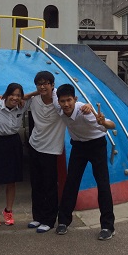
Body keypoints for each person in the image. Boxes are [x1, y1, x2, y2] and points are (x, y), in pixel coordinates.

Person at [54, 83, 116, 241]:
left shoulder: (85, 112)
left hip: (96, 145)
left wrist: (102, 122)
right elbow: (46, 90)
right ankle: (63, 221)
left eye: (69, 100)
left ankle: (108, 226)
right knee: (71, 182)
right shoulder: (59, 108)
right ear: (58, 101)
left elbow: (112, 125)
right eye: (63, 101)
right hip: (78, 146)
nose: (66, 104)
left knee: (102, 184)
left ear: (75, 99)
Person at [27, 71, 66, 233]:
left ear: (52, 85)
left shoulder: (60, 104)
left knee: (50, 185)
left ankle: (49, 220)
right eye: (39, 84)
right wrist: (37, 92)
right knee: (36, 184)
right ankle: (38, 216)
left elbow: (70, 105)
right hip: (34, 145)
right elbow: (20, 99)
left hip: (50, 150)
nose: (42, 86)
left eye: (46, 83)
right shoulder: (34, 101)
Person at [0, 83, 30, 227]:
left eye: (18, 95)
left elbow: (37, 95)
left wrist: (23, 98)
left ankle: (8, 211)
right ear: (6, 94)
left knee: (12, 180)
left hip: (13, 142)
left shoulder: (22, 106)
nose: (15, 98)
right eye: (12, 94)